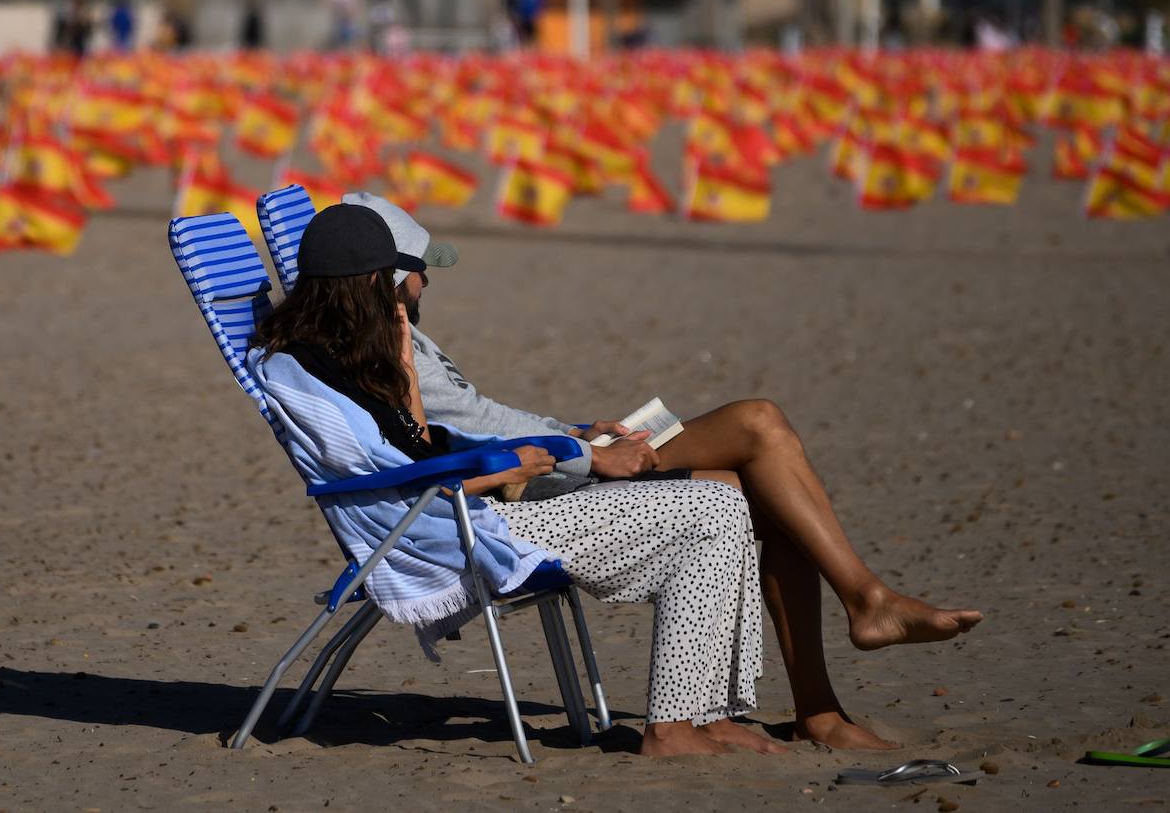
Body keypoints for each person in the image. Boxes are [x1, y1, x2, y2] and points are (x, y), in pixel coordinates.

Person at [344, 192, 985, 751]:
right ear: (387, 277)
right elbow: (462, 443)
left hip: (558, 456)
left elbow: (481, 417)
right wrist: (587, 451)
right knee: (757, 425)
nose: (429, 282)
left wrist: (574, 428)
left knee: (763, 487)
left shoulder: (402, 335)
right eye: (420, 271)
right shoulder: (390, 351)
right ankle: (858, 620)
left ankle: (823, 701)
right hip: (542, 481)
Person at [247, 204, 768, 757]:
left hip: (459, 512)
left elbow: (414, 452)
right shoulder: (302, 373)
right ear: (378, 281)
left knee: (718, 506)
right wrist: (505, 468)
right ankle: (672, 729)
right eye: (403, 284)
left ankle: (707, 716)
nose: (414, 294)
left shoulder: (348, 352)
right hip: (456, 535)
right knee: (713, 507)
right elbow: (392, 492)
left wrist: (406, 373)